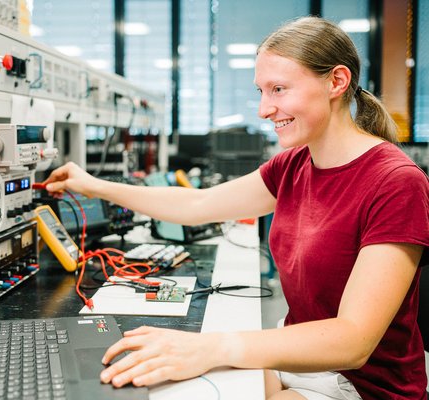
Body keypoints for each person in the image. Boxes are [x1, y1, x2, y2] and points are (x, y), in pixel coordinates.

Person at [44, 16, 429, 400]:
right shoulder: (294, 165)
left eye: (278, 89)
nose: (264, 109)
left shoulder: (396, 182)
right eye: (261, 91)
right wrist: (93, 185)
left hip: (364, 384)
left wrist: (215, 347)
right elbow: (199, 204)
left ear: (337, 81)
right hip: (301, 359)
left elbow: (353, 339)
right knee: (165, 383)